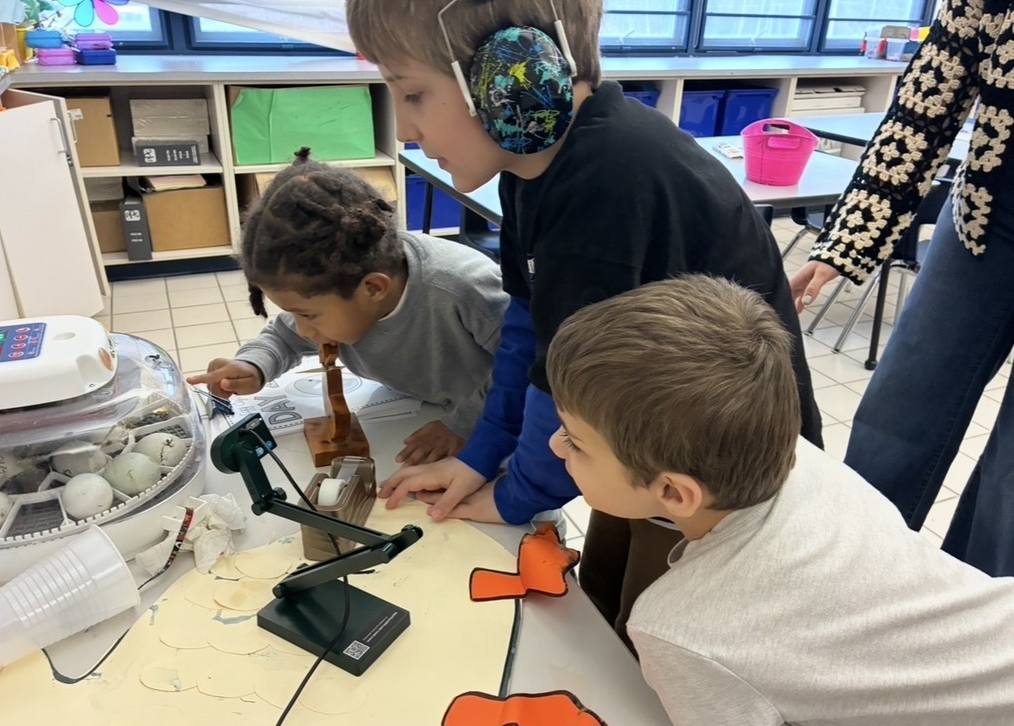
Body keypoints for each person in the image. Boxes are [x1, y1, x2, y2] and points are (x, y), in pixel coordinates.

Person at [346, 0, 822, 643]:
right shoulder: (529, 168)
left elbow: (563, 378)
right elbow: (529, 329)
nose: (404, 128)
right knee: (598, 598)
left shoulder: (607, 178)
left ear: (511, 76)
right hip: (643, 437)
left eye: (414, 94)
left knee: (647, 637)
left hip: (717, 484)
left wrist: (515, 497)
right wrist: (481, 458)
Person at [547, 274, 1014, 725]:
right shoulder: (801, 457)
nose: (554, 445)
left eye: (575, 442)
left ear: (674, 492)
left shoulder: (681, 631)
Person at [789, 0, 1014, 576]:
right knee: (900, 409)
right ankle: (847, 579)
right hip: (986, 217)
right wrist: (847, 240)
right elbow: (924, 105)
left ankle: (982, 630)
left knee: (1008, 484)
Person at [187, 148, 508, 466]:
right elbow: (283, 337)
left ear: (373, 289)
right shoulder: (342, 286)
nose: (301, 328)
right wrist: (254, 365)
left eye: (308, 314)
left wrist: (462, 424)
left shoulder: (463, 288)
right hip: (429, 408)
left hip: (502, 421)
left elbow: (528, 367)